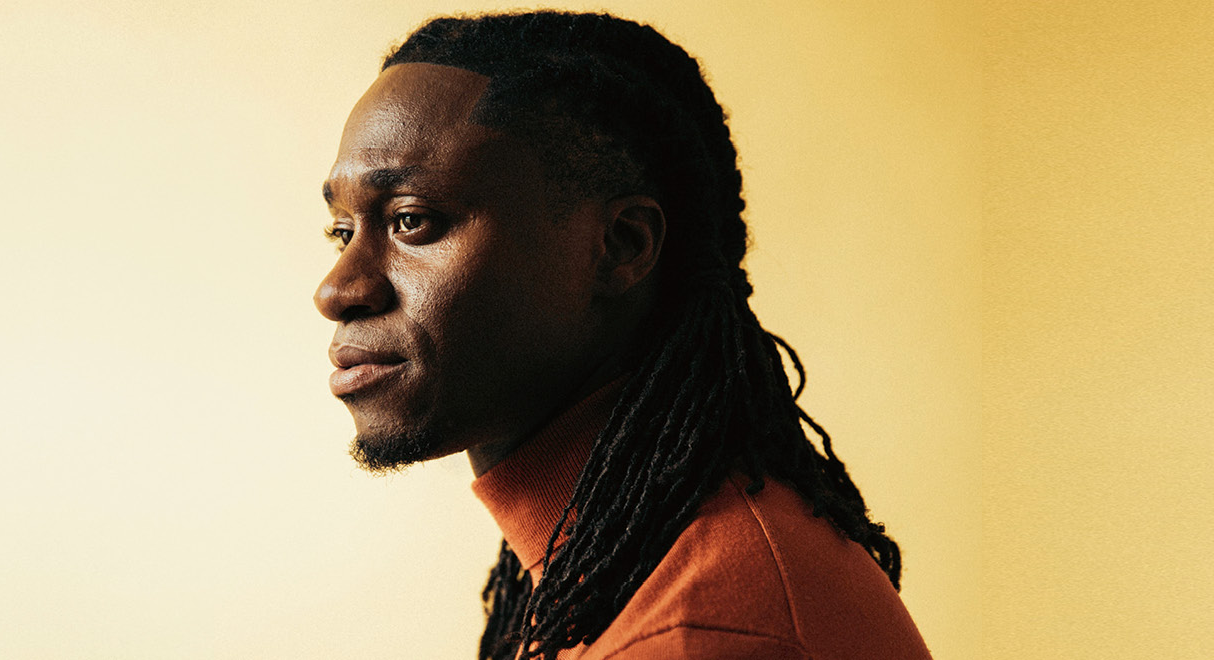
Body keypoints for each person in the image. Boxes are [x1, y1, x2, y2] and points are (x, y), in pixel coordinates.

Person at [314, 10, 930, 660]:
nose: (336, 290)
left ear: (622, 246)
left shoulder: (700, 634)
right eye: (342, 231)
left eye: (412, 220)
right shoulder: (605, 560)